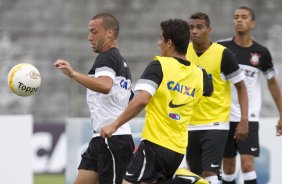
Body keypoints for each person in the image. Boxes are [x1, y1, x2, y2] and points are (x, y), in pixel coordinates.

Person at [100, 18, 213, 184]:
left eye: (160, 38)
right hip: (178, 149)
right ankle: (185, 179)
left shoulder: (160, 65)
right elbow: (209, 91)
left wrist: (114, 125)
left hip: (155, 143)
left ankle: (186, 181)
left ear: (169, 43)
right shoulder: (199, 74)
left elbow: (142, 100)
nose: (158, 43)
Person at [54, 13, 135, 184]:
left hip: (113, 140)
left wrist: (73, 73)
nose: (89, 37)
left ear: (109, 33)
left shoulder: (107, 57)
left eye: (94, 32)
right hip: (101, 138)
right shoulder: (120, 61)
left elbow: (105, 86)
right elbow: (130, 100)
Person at [217, 6, 282, 184]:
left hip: (249, 115)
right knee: (228, 166)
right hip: (223, 115)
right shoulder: (221, 48)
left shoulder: (261, 53)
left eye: (244, 17)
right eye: (236, 17)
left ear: (252, 23)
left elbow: (272, 82)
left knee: (247, 164)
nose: (239, 20)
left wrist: (281, 113)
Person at [185, 12, 249, 184]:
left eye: (199, 27)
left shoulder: (223, 54)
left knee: (210, 173)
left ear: (209, 30)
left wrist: (244, 119)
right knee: (195, 175)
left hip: (215, 124)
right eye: (191, 27)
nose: (194, 31)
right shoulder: (183, 52)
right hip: (188, 125)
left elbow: (241, 88)